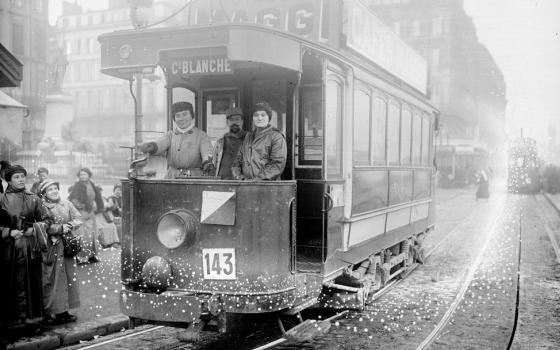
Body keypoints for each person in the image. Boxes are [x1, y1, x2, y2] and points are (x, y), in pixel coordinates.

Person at [0, 165, 47, 335]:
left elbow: (46, 221)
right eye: (16, 177)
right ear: (9, 180)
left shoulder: (34, 198)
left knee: (31, 284)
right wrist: (8, 231)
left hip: (30, 248)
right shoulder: (2, 199)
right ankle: (13, 321)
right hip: (9, 249)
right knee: (11, 283)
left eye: (22, 176)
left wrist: (34, 229)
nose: (20, 179)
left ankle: (32, 321)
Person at [39, 179, 82, 325]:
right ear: (44, 193)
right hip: (52, 247)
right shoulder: (42, 206)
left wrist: (69, 225)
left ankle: (63, 312)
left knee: (68, 278)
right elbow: (42, 226)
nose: (54, 191)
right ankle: (49, 312)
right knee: (53, 279)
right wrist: (58, 229)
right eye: (50, 189)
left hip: (67, 246)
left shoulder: (67, 203)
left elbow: (78, 218)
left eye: (55, 188)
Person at [138, 102, 214, 179]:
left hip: (194, 179)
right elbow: (161, 144)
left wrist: (207, 163)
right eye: (178, 116)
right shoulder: (170, 135)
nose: (181, 119)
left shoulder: (201, 136)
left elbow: (207, 152)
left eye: (185, 114)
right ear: (174, 119)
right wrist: (151, 146)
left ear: (192, 116)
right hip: (171, 177)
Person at [232, 101, 287, 181]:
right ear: (252, 118)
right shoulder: (247, 137)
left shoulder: (276, 137)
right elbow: (237, 162)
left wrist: (258, 179)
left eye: (263, 115)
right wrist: (240, 178)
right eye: (256, 115)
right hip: (245, 186)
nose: (260, 118)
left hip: (267, 187)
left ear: (269, 118)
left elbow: (277, 164)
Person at [68, 168, 104, 264]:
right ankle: (79, 257)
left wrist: (96, 205)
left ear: (89, 175)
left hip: (90, 213)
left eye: (85, 174)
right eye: (81, 175)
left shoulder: (91, 184)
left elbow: (96, 197)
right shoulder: (77, 186)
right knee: (81, 235)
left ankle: (91, 256)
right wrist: (82, 207)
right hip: (81, 213)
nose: (83, 176)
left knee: (92, 234)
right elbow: (72, 199)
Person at [212, 107, 247, 179]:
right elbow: (214, 163)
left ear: (242, 121)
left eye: (237, 119)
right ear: (227, 122)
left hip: (242, 182)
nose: (234, 122)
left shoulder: (249, 140)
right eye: (231, 120)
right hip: (222, 181)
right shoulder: (220, 142)